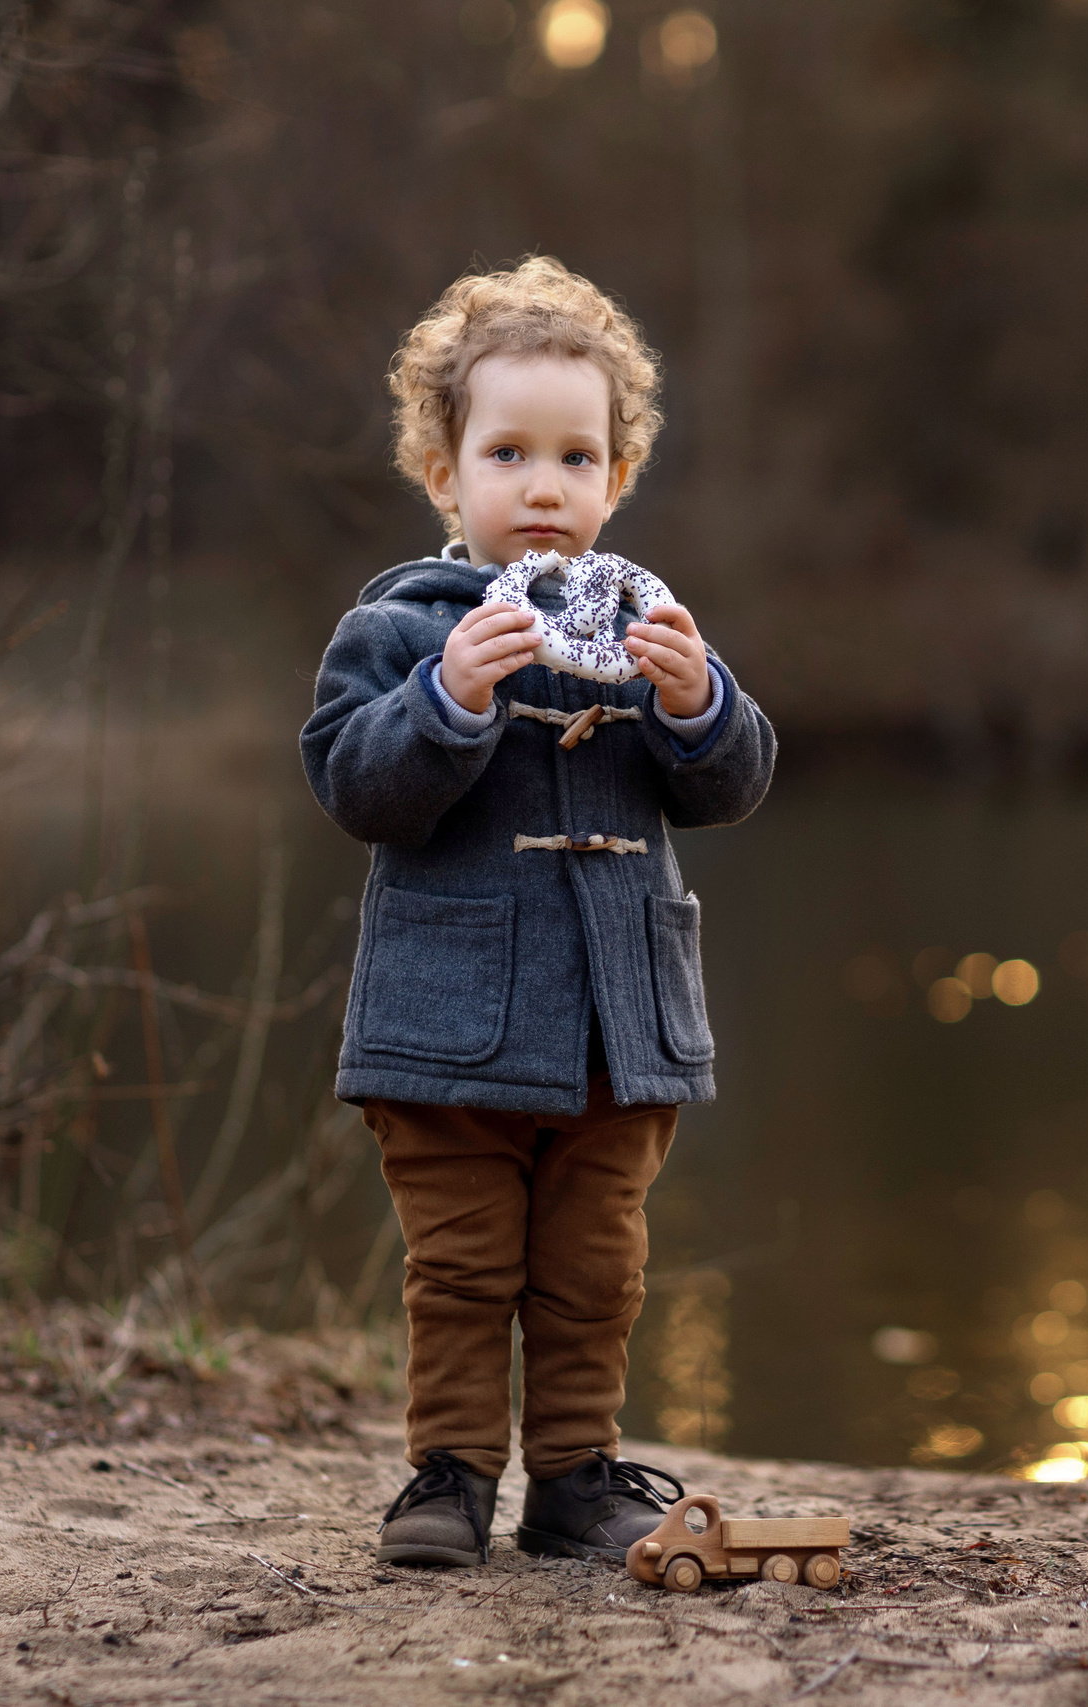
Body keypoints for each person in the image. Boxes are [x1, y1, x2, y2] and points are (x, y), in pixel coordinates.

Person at [300, 259, 774, 1568]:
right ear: (444, 475)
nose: (545, 486)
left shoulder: (648, 631)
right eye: (507, 453)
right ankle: (448, 1478)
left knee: (595, 1274)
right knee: (460, 1269)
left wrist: (699, 706)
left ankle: (574, 1478)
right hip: (448, 1038)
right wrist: (446, 701)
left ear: (618, 478)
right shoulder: (401, 630)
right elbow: (355, 788)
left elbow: (732, 787)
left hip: (618, 1034)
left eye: (577, 457)